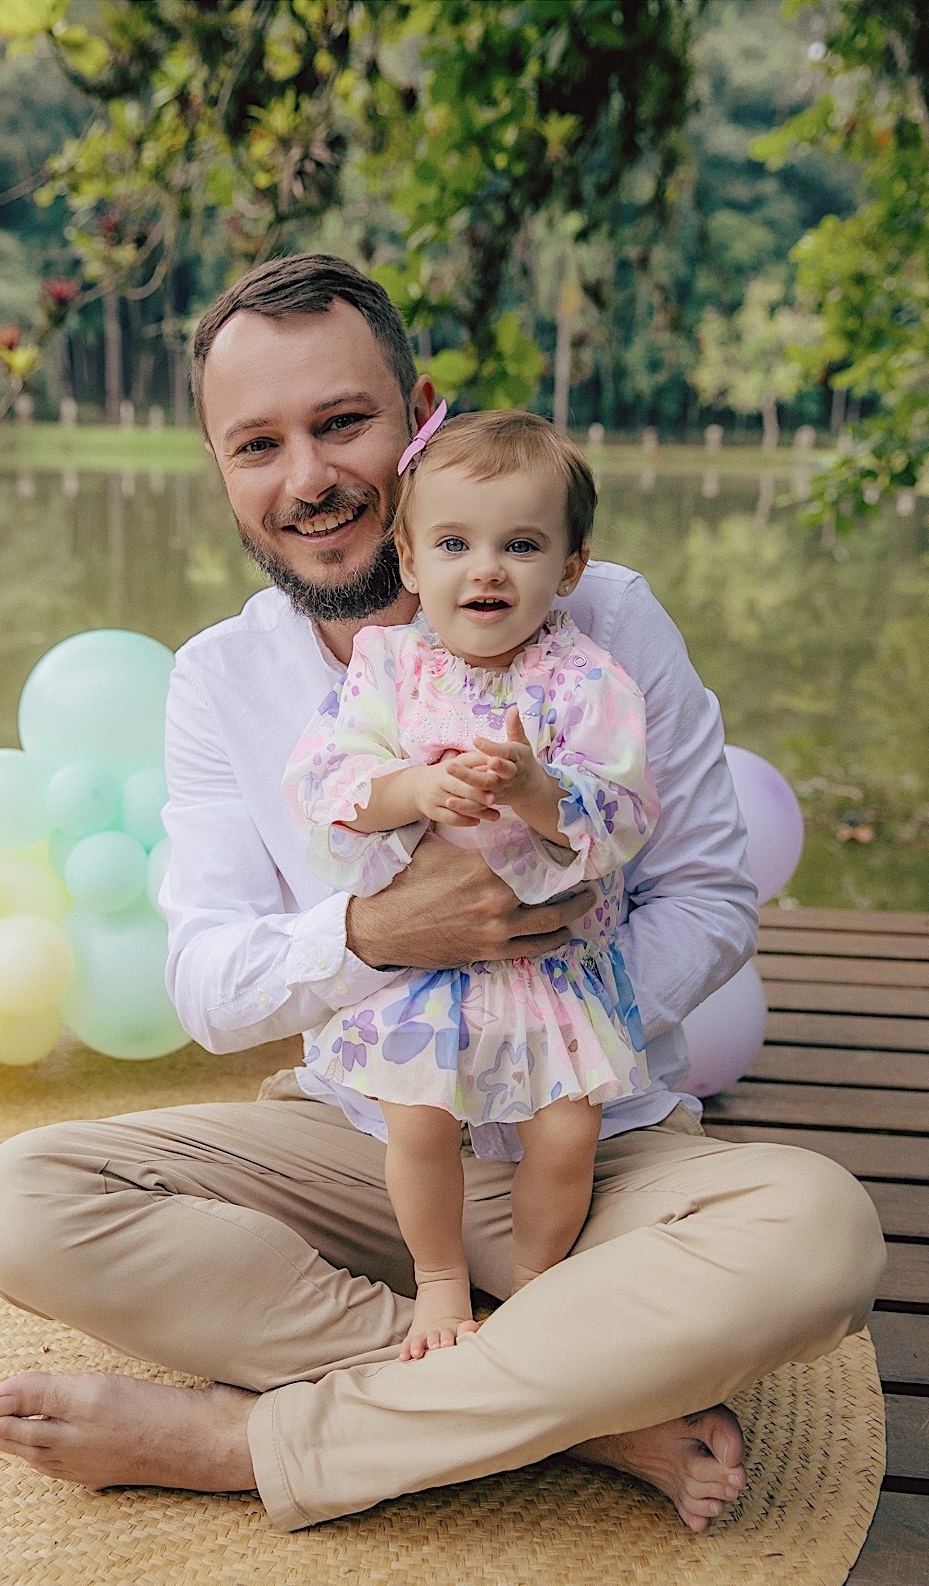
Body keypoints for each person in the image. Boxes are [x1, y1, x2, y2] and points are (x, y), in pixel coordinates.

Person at [0, 252, 886, 1538]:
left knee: (819, 1236)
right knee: (26, 1204)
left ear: (422, 416)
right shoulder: (221, 679)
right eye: (257, 445)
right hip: (366, 1139)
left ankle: (257, 1440)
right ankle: (583, 1401)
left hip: (596, 1142)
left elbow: (711, 897)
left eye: (341, 422)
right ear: (221, 470)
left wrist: (541, 1012)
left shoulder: (605, 617)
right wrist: (376, 933)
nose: (308, 479)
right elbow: (209, 986)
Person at [284, 406, 660, 1361]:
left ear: (569, 568)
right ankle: (441, 1280)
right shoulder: (391, 667)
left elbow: (624, 810)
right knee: (416, 1125)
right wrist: (413, 786)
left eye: (520, 544)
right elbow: (325, 776)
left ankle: (536, 1281)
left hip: (547, 970)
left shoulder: (586, 680)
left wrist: (541, 791)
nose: (484, 568)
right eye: (453, 542)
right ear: (408, 560)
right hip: (429, 969)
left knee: (568, 1134)